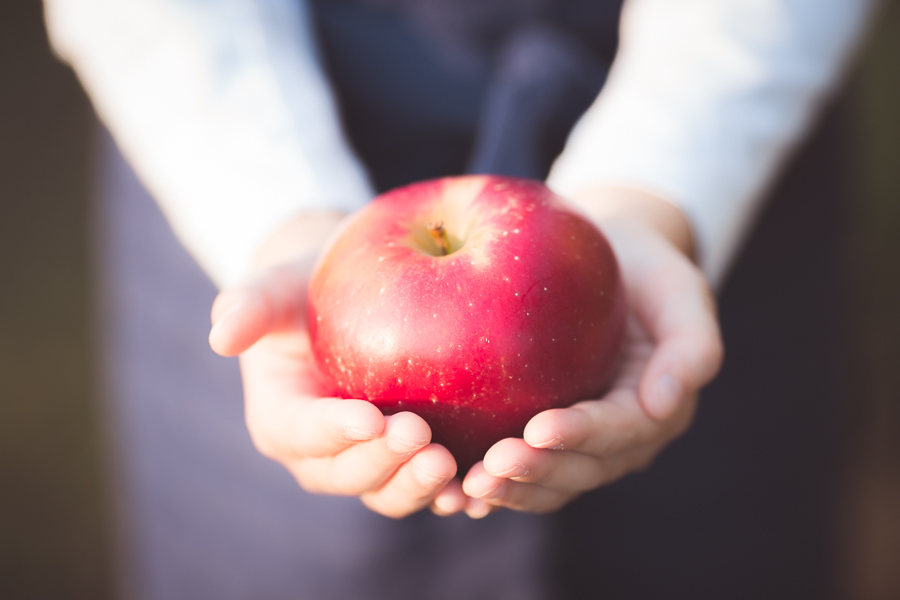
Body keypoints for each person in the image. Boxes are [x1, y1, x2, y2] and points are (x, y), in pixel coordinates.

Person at [45, 0, 875, 597]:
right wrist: (281, 218)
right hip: (239, 168)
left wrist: (658, 184)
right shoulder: (276, 247)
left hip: (706, 162)